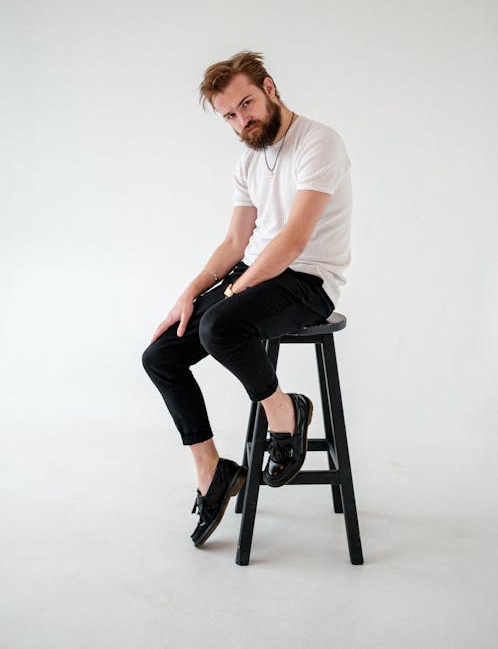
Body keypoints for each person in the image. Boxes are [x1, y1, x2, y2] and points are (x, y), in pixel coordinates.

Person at [142, 51, 352, 548]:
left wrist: (232, 294)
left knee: (221, 328)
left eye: (247, 104)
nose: (242, 121)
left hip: (306, 281)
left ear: (270, 88)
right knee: (160, 356)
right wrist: (191, 293)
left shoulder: (318, 143)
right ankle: (211, 472)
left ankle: (286, 412)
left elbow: (293, 242)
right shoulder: (248, 160)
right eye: (230, 116)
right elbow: (236, 243)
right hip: (255, 275)